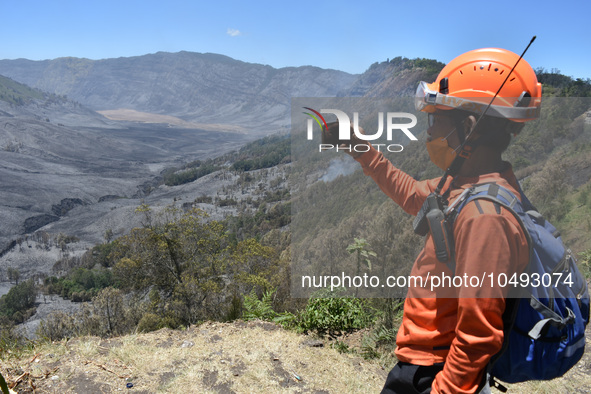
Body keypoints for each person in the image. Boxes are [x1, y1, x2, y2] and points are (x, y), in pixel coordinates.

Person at [330, 48, 542, 393]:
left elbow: (478, 335)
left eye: (436, 119)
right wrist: (359, 147)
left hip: (435, 373)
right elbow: (412, 194)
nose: (429, 131)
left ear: (469, 128)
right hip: (423, 364)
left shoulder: (484, 216)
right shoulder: (463, 186)